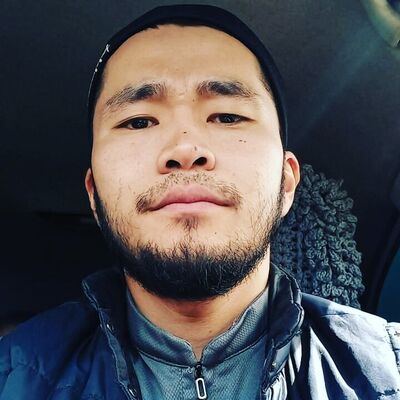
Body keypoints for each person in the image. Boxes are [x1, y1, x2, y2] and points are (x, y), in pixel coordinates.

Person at [0, 4, 399, 400]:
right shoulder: (11, 378)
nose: (185, 148)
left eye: (227, 116)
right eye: (138, 121)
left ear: (286, 181)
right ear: (94, 194)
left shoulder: (390, 372)